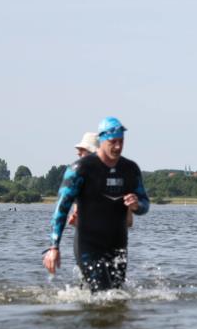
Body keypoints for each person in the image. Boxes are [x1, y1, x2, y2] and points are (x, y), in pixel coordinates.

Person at [43, 116, 150, 291]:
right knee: (104, 292)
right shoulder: (80, 169)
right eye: (112, 142)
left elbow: (145, 204)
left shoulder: (130, 169)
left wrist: (137, 205)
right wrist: (54, 247)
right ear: (102, 140)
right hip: (88, 244)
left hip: (118, 245)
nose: (117, 147)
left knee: (116, 294)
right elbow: (62, 208)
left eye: (121, 142)